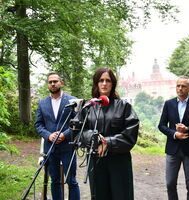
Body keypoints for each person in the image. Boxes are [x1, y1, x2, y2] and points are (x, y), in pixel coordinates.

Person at [77, 67, 139, 200]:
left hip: (119, 162)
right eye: (101, 80)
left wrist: (107, 143)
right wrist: (93, 138)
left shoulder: (124, 106)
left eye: (108, 80)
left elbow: (130, 134)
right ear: (96, 83)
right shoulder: (88, 107)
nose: (104, 83)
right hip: (95, 161)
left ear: (113, 84)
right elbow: (78, 133)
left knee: (121, 195)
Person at [158, 76, 189, 200]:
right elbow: (161, 125)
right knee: (170, 183)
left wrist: (187, 129)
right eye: (178, 86)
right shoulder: (169, 104)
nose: (180, 88)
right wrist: (175, 134)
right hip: (172, 148)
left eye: (183, 86)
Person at [35, 72, 80, 200]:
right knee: (54, 181)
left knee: (71, 181)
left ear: (61, 83)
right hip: (50, 148)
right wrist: (48, 136)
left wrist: (65, 134)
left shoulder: (73, 101)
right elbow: (38, 124)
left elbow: (78, 123)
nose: (53, 84)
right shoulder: (42, 103)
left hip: (68, 147)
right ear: (48, 84)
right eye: (50, 82)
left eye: (55, 81)